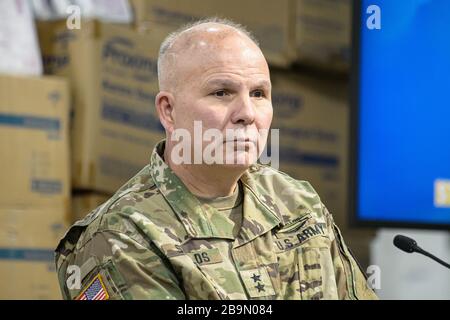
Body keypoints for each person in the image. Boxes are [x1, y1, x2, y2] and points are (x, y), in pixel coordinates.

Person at [55, 17, 378, 300]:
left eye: (258, 94)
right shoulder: (121, 236)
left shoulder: (297, 202)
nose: (247, 114)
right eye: (221, 92)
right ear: (169, 110)